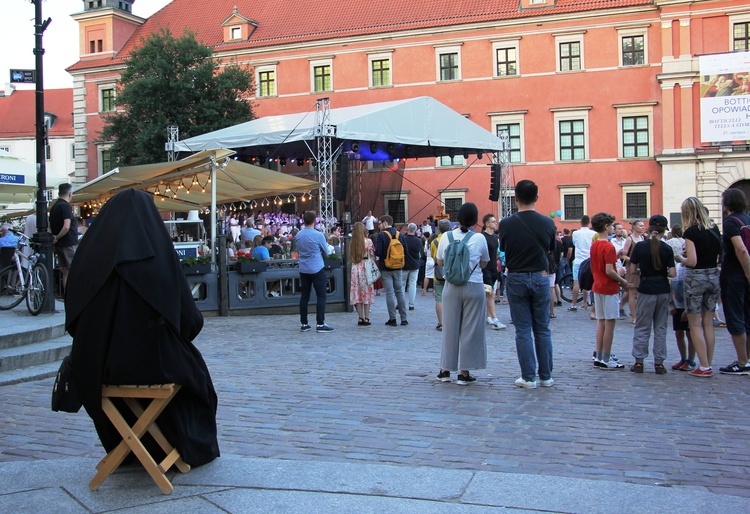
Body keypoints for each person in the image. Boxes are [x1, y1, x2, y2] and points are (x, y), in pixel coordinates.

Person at [65, 188, 219, 467]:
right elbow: (189, 322)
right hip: (152, 362)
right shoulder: (158, 257)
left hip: (95, 365)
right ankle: (176, 447)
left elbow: (73, 319)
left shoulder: (87, 259)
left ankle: (128, 447)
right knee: (195, 378)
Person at [498, 180, 555, 389]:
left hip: (517, 277)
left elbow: (503, 247)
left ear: (516, 199)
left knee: (522, 329)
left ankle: (528, 377)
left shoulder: (506, 223)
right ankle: (546, 376)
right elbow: (550, 248)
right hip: (540, 276)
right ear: (537, 198)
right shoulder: (548, 222)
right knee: (543, 329)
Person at [435, 203, 489, 385]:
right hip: (473, 285)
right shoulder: (479, 238)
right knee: (470, 328)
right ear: (475, 220)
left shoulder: (446, 237)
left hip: (451, 286)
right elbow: (484, 262)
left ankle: (444, 370)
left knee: (450, 327)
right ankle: (464, 372)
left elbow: (440, 261)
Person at [629, 215, 676, 374]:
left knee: (642, 326)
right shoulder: (667, 248)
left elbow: (631, 269)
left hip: (646, 288)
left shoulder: (641, 247)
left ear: (649, 229)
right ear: (664, 231)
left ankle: (639, 362)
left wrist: (640, 271)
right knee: (661, 327)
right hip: (662, 289)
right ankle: (659, 363)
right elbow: (673, 273)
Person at [681, 197, 721, 377]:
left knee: (695, 323)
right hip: (713, 275)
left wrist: (679, 258)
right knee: (708, 323)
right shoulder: (714, 228)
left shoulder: (691, 232)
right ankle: (708, 363)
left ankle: (703, 366)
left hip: (696, 278)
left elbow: (692, 261)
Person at [717, 188, 750, 375]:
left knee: (735, 317)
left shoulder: (731, 222)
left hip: (735, 276)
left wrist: (747, 273)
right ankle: (747, 358)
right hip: (744, 274)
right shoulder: (747, 219)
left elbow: (741, 249)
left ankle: (742, 361)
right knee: (747, 316)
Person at [590, 213, 628, 369]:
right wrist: (623, 279)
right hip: (609, 287)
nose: (613, 228)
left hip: (597, 285)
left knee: (601, 322)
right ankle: (606, 357)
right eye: (612, 225)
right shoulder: (608, 246)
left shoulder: (595, 245)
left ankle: (599, 355)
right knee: (610, 323)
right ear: (606, 227)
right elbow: (609, 271)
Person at [296, 210, 333, 333]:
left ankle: (304, 323)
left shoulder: (299, 235)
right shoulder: (318, 235)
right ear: (314, 220)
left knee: (304, 296)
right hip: (317, 268)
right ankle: (320, 323)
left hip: (304, 268)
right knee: (321, 296)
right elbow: (327, 252)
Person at [375, 215, 408, 326]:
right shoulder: (401, 235)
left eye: (379, 223)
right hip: (398, 267)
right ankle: (404, 318)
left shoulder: (382, 235)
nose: (379, 225)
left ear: (385, 223)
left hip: (386, 267)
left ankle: (392, 319)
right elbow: (406, 251)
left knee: (389, 293)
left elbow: (378, 252)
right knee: (400, 292)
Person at [50, 183, 79, 292]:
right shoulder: (66, 206)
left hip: (59, 244)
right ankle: (73, 294)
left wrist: (54, 237)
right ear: (70, 194)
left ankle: (67, 294)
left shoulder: (54, 206)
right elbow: (66, 227)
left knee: (65, 270)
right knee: (73, 269)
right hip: (68, 242)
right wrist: (58, 237)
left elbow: (49, 225)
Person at [481, 213, 506, 329]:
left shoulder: (495, 238)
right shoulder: (483, 237)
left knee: (490, 294)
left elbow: (496, 253)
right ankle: (495, 319)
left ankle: (488, 317)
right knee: (490, 294)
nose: (496, 223)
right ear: (487, 224)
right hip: (485, 270)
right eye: (493, 222)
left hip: (494, 269)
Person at [348, 222, 375, 326]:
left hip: (355, 267)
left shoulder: (352, 243)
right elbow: (372, 255)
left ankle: (360, 317)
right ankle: (367, 317)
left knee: (357, 292)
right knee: (366, 292)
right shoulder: (368, 241)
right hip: (365, 267)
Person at [619, 219, 645, 322]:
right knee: (633, 293)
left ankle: (620, 305)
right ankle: (634, 317)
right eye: (640, 226)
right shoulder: (630, 239)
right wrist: (634, 260)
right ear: (634, 227)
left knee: (633, 291)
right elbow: (623, 255)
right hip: (632, 268)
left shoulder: (642, 238)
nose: (643, 227)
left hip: (641, 267)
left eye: (643, 226)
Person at [569, 215, 595, 312]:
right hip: (589, 260)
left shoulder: (575, 233)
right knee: (590, 282)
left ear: (581, 222)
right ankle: (586, 303)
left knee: (577, 282)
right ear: (589, 222)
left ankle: (574, 304)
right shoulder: (594, 233)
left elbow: (575, 244)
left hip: (579, 260)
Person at [431, 220, 450, 331]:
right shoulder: (452, 239)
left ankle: (441, 323)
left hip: (438, 272)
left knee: (439, 298)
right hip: (451, 272)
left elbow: (434, 256)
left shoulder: (434, 241)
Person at [402, 223, 423, 311]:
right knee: (412, 285)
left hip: (404, 264)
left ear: (407, 229)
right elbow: (420, 253)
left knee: (402, 285)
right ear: (415, 230)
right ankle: (411, 304)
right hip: (415, 264)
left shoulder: (403, 239)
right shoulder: (418, 241)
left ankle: (401, 303)